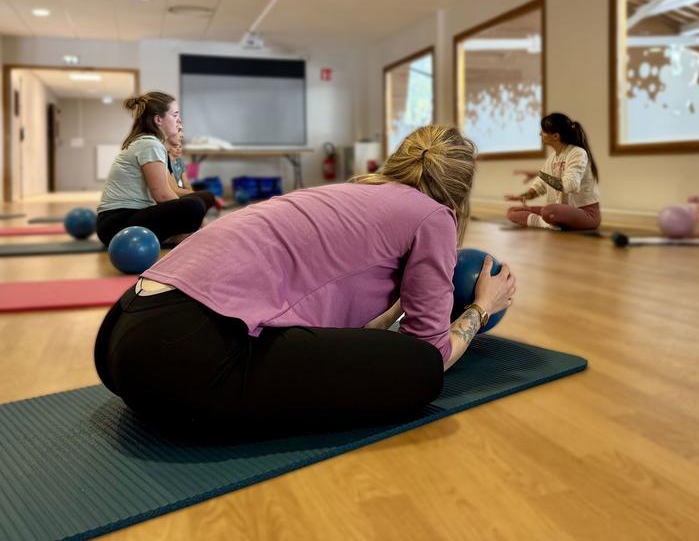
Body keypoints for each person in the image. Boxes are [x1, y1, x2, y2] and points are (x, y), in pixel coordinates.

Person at [94, 125, 517, 436]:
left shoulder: (342, 194)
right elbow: (431, 351)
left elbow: (344, 332)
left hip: (122, 331)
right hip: (176, 359)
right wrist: (482, 307)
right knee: (420, 372)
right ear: (459, 193)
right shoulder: (433, 215)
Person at [95, 92, 216, 246]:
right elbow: (163, 196)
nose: (179, 120)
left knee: (202, 198)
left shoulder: (152, 144)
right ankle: (181, 236)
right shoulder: (150, 144)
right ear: (158, 119)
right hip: (116, 225)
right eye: (174, 115)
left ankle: (177, 236)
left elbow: (167, 193)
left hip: (127, 218)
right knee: (194, 206)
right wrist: (200, 222)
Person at [505, 112, 601, 231]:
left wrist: (538, 173)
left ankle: (548, 222)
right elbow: (539, 187)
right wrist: (523, 196)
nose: (540, 134)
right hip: (559, 211)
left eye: (543, 131)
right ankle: (548, 223)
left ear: (555, 136)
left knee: (549, 210)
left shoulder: (578, 153)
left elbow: (570, 185)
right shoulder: (551, 159)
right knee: (512, 211)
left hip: (585, 214)